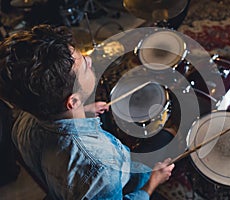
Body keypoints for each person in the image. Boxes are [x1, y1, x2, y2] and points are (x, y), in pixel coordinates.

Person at [0, 24, 174, 199]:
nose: (89, 59)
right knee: (167, 136)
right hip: (120, 183)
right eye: (84, 67)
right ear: (73, 101)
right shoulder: (100, 167)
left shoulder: (21, 124)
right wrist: (150, 185)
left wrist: (84, 109)